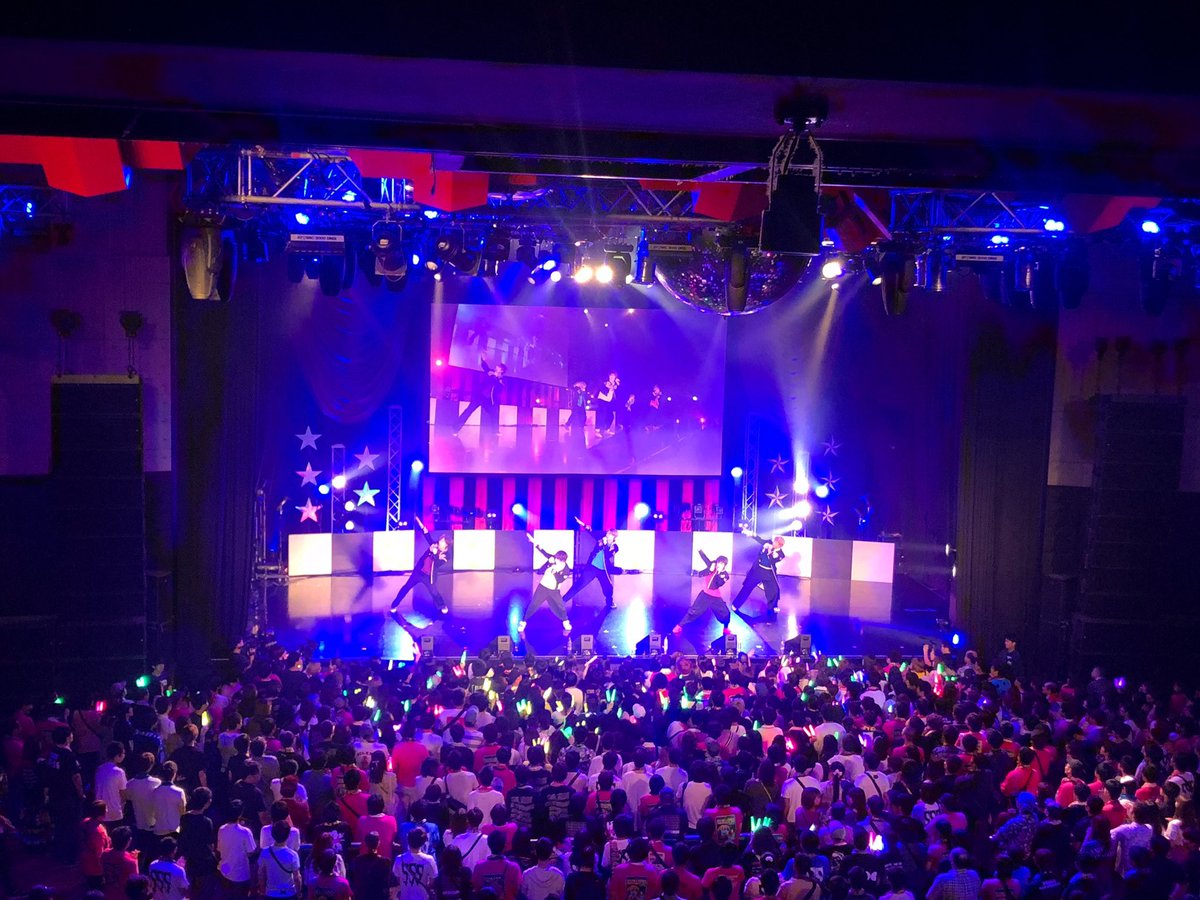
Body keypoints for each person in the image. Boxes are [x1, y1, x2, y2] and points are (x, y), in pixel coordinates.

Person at [390, 516, 452, 616]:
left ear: (446, 545)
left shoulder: (446, 555)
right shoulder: (434, 545)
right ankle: (394, 605)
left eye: (442, 541)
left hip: (429, 577)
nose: (439, 541)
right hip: (418, 572)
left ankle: (443, 606)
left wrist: (435, 554)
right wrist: (420, 523)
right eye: (440, 540)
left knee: (434, 592)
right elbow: (427, 534)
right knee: (406, 587)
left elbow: (437, 564)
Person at [44, 723, 85, 862]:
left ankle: (58, 853)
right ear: (67, 738)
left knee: (59, 826)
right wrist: (81, 793)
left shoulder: (53, 753)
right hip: (68, 796)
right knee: (71, 827)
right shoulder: (68, 755)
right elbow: (76, 776)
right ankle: (70, 857)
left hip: (55, 794)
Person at [520, 535, 574, 636]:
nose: (555, 560)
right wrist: (533, 541)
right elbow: (542, 551)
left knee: (560, 606)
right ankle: (523, 622)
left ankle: (565, 622)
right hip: (543, 587)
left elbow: (560, 580)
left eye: (557, 559)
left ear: (562, 561)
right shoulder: (553, 560)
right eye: (555, 558)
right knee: (534, 605)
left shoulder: (566, 570)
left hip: (554, 591)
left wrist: (555, 572)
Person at [562, 518, 619, 609]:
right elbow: (591, 531)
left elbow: (608, 555)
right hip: (592, 568)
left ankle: (609, 602)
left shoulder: (614, 547)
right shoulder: (601, 539)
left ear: (613, 536)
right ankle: (563, 601)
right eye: (607, 533)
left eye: (609, 534)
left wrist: (606, 545)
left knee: (608, 587)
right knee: (579, 584)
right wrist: (582, 524)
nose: (607, 534)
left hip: (603, 570)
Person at [672, 551, 732, 635]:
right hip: (705, 595)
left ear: (725, 565)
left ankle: (726, 628)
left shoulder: (725, 575)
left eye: (721, 563)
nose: (719, 565)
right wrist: (700, 550)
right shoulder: (712, 566)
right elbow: (705, 559)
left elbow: (716, 585)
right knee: (694, 611)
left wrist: (717, 573)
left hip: (715, 597)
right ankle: (679, 625)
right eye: (718, 562)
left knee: (726, 613)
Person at [731, 533, 785, 615]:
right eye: (774, 541)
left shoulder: (781, 555)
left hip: (769, 573)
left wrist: (769, 550)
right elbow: (760, 540)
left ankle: (774, 606)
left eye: (775, 543)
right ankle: (736, 604)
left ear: (779, 545)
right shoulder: (769, 543)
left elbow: (771, 561)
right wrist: (752, 535)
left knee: (774, 590)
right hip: (758, 570)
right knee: (747, 587)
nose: (773, 543)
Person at [453, 355, 507, 436]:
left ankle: (496, 431)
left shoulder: (501, 379)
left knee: (494, 414)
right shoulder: (490, 372)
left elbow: (499, 388)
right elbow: (485, 367)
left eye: (498, 366)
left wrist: (496, 377)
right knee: (468, 411)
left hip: (488, 400)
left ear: (501, 370)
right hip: (479, 397)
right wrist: (483, 360)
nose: (496, 366)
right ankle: (455, 429)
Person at [217, 801, 257, 899]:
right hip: (241, 874)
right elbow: (251, 851)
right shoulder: (245, 832)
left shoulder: (221, 829)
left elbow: (219, 848)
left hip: (225, 872)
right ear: (240, 814)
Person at [257, 820, 303, 900]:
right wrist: (299, 893)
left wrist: (262, 891)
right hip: (289, 894)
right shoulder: (293, 855)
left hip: (271, 893)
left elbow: (261, 874)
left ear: (272, 834)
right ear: (288, 835)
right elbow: (297, 877)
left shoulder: (265, 852)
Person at [394, 827, 438, 900]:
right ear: (423, 842)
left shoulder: (399, 859)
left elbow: (398, 879)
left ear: (408, 840)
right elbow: (432, 881)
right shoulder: (429, 860)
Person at [349, 832, 395, 900]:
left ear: (365, 843)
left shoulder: (358, 861)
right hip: (380, 897)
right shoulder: (385, 862)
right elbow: (390, 883)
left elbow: (352, 881)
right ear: (378, 843)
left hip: (363, 896)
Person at [95, 741, 128, 827]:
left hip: (100, 811)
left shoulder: (99, 769)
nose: (124, 755)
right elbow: (123, 793)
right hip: (114, 811)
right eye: (123, 753)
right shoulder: (119, 772)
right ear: (117, 756)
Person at [150, 761, 187, 839]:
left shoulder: (155, 792)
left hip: (158, 830)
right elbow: (182, 812)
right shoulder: (179, 792)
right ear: (174, 774)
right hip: (174, 830)